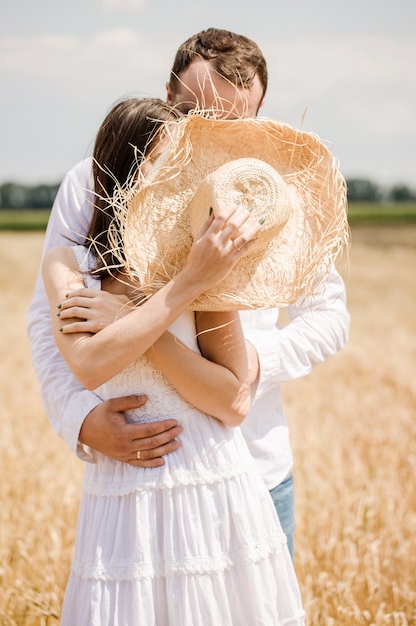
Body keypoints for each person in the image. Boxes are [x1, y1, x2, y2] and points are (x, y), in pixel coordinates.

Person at [27, 27, 350, 558]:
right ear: (167, 97)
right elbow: (50, 319)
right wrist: (79, 421)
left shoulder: (272, 193)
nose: (213, 137)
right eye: (196, 116)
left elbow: (330, 315)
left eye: (234, 123)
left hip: (255, 465)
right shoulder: (93, 180)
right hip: (138, 478)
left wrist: (248, 365)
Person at [42, 96, 305, 624]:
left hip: (214, 490)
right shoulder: (68, 267)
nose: (182, 183)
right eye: (168, 167)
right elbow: (90, 365)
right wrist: (184, 289)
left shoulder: (205, 272)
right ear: (124, 174)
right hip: (125, 503)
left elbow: (232, 403)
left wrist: (154, 304)